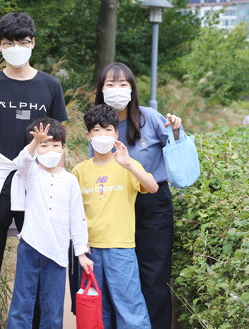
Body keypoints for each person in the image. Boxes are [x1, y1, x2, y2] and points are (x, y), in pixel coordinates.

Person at [0, 12, 68, 329]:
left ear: (32, 43)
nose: (16, 48)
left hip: (35, 182)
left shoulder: (50, 86)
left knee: (37, 259)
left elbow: (58, 144)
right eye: (8, 43)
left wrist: (59, 188)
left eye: (22, 42)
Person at [94, 62, 182, 329]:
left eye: (123, 84)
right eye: (110, 84)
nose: (117, 89)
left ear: (132, 89)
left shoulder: (149, 117)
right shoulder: (98, 125)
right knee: (119, 275)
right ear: (101, 90)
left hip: (152, 203)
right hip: (116, 203)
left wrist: (176, 129)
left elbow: (177, 149)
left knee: (154, 275)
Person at [72, 103, 160, 329]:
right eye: (97, 130)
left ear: (116, 134)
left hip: (121, 248)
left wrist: (129, 164)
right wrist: (78, 244)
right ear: (88, 136)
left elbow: (153, 187)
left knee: (129, 306)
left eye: (108, 129)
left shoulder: (128, 166)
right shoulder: (79, 171)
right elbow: (72, 212)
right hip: (89, 250)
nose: (103, 135)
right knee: (96, 308)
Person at [7, 118, 92, 329]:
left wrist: (81, 252)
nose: (51, 150)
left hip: (58, 252)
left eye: (55, 145)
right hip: (30, 245)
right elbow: (22, 161)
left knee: (53, 309)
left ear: (64, 147)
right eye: (44, 145)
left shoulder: (70, 180)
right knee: (22, 304)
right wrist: (35, 142)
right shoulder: (32, 172)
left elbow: (77, 217)